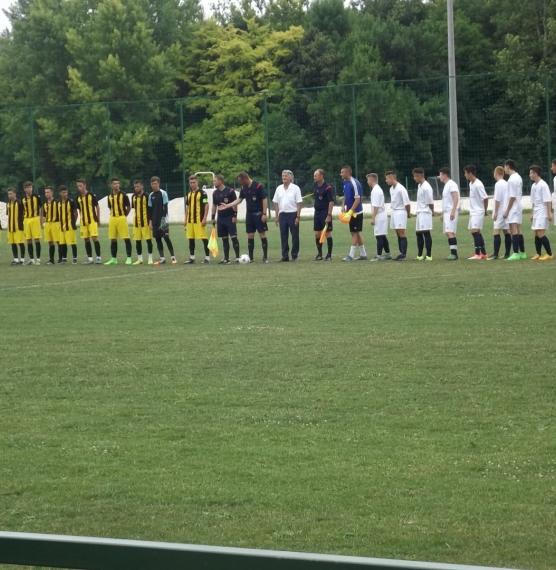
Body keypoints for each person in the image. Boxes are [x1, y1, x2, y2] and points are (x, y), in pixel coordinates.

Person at [219, 172, 269, 263]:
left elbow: (264, 199)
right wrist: (228, 205)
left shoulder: (258, 186)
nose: (240, 183)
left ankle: (265, 257)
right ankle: (251, 258)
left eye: (241, 181)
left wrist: (264, 213)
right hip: (249, 215)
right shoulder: (243, 188)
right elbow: (239, 199)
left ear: (245, 179)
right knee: (250, 235)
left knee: (262, 234)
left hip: (259, 214)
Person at [273, 169, 303, 262]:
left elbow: (299, 203)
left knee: (295, 235)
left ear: (290, 177)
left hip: (293, 214)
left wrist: (298, 216)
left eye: (285, 176)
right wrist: (276, 215)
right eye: (283, 176)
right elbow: (275, 202)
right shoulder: (279, 188)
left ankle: (294, 255)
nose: (284, 177)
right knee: (283, 236)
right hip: (282, 214)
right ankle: (285, 256)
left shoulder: (296, 188)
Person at [211, 174, 240, 264]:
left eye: (215, 181)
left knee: (234, 237)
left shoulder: (230, 191)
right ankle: (226, 258)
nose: (213, 182)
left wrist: (235, 215)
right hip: (221, 218)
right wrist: (213, 217)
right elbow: (214, 205)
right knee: (224, 239)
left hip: (230, 217)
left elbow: (235, 204)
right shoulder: (215, 193)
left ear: (220, 181)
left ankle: (237, 257)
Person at [340, 165, 366, 261]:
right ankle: (363, 254)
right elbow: (345, 196)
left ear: (348, 173)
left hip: (356, 213)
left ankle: (351, 255)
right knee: (356, 232)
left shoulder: (354, 183)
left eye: (342, 172)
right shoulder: (345, 182)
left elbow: (358, 199)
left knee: (354, 233)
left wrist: (351, 211)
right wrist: (343, 206)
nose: (341, 174)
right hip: (350, 213)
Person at [148, 176, 177, 265]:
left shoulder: (163, 193)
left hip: (163, 220)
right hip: (155, 221)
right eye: (152, 184)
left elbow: (165, 208)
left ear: (159, 184)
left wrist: (163, 220)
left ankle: (173, 257)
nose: (154, 185)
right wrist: (150, 221)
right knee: (157, 239)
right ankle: (162, 258)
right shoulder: (151, 195)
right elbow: (150, 210)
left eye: (155, 183)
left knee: (166, 238)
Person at [104, 177, 132, 265]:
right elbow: (110, 207)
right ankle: (114, 259)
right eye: (114, 184)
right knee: (113, 239)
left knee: (126, 238)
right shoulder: (109, 196)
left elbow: (129, 206)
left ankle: (129, 258)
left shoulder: (123, 195)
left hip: (121, 218)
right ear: (111, 185)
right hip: (112, 219)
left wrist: (124, 215)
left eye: (117, 183)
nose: (116, 185)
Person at [463, 165, 489, 260]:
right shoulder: (471, 183)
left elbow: (485, 198)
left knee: (474, 231)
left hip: (478, 211)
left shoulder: (478, 184)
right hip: (473, 211)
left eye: (465, 173)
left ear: (470, 173)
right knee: (476, 231)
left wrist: (485, 210)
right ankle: (484, 253)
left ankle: (477, 254)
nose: (465, 175)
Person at [184, 174, 210, 264]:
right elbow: (187, 207)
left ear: (197, 182)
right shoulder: (189, 194)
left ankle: (207, 257)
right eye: (191, 182)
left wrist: (204, 218)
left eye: (194, 182)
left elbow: (206, 205)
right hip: (190, 221)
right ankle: (192, 257)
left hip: (199, 220)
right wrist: (185, 219)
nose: (192, 184)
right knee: (190, 238)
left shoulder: (203, 193)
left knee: (203, 238)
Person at [529, 165, 553, 261]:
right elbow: (533, 201)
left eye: (531, 173)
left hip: (543, 211)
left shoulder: (543, 185)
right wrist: (532, 213)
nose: (530, 175)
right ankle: (538, 253)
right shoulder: (533, 185)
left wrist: (549, 213)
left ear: (536, 173)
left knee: (540, 233)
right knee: (536, 232)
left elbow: (548, 200)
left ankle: (549, 254)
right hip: (536, 212)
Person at [503, 159, 526, 261]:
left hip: (513, 207)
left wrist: (507, 210)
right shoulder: (518, 177)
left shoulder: (511, 179)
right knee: (519, 229)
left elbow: (512, 197)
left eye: (505, 167)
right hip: (519, 205)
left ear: (508, 166)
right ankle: (522, 252)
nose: (504, 169)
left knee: (513, 229)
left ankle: (516, 253)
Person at [75, 178, 102, 264]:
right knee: (86, 239)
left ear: (85, 185)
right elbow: (79, 210)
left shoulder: (91, 195)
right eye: (78, 186)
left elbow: (97, 207)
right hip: (83, 222)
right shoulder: (78, 197)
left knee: (94, 238)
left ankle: (98, 258)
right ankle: (90, 259)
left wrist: (98, 219)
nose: (79, 188)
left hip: (92, 220)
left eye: (80, 186)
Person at [386, 170, 410, 261]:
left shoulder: (401, 188)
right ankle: (401, 252)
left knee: (401, 232)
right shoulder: (391, 189)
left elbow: (407, 203)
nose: (386, 181)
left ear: (392, 178)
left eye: (387, 179)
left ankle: (404, 254)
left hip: (400, 212)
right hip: (394, 212)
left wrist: (408, 213)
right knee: (397, 232)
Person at [488, 167, 512, 260]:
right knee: (506, 231)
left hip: (500, 211)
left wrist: (495, 212)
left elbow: (497, 200)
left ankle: (495, 254)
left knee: (496, 231)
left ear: (496, 173)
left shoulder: (498, 184)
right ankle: (507, 254)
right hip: (506, 211)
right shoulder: (506, 183)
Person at [367, 173, 391, 261]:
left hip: (379, 215)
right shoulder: (376, 189)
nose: (367, 182)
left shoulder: (376, 190)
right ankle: (387, 254)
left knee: (379, 235)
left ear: (372, 180)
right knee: (382, 235)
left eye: (368, 180)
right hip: (380, 215)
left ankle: (379, 255)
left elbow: (376, 206)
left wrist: (373, 218)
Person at [312, 168, 334, 261]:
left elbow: (331, 202)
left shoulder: (328, 187)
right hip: (317, 213)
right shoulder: (316, 186)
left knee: (327, 233)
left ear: (321, 176)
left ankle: (329, 255)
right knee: (317, 234)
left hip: (325, 212)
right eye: (314, 176)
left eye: (316, 175)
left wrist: (329, 215)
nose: (314, 177)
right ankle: (320, 254)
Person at [412, 168, 434, 261]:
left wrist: (432, 211)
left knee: (426, 233)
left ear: (420, 176)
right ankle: (420, 255)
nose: (414, 178)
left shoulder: (426, 187)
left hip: (425, 212)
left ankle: (429, 255)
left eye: (415, 176)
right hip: (419, 212)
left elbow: (430, 202)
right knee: (418, 233)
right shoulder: (419, 186)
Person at [439, 167, 460, 260]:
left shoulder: (451, 184)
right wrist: (442, 213)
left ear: (445, 175)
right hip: (447, 212)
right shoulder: (446, 185)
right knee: (448, 232)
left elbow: (455, 197)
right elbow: (446, 201)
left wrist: (453, 211)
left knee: (450, 232)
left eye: (440, 175)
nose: (439, 177)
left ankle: (454, 254)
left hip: (451, 211)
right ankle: (453, 252)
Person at [131, 179, 153, 265]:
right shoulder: (133, 197)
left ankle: (150, 258)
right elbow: (134, 209)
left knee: (148, 240)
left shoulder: (147, 196)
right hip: (136, 223)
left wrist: (150, 221)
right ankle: (140, 259)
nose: (136, 188)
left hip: (146, 222)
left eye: (138, 186)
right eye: (135, 187)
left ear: (142, 186)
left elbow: (150, 210)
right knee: (138, 241)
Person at [22, 181, 42, 265]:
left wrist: (41, 219)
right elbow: (23, 210)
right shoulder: (23, 199)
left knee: (36, 239)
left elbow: (41, 208)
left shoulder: (36, 197)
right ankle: (31, 259)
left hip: (35, 219)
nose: (29, 189)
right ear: (24, 189)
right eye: (27, 188)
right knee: (28, 240)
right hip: (26, 220)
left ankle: (38, 259)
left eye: (30, 187)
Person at [57, 185, 78, 264]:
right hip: (61, 226)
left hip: (70, 226)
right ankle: (64, 258)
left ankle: (75, 258)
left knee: (72, 242)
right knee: (63, 243)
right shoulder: (58, 202)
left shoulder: (71, 201)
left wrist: (73, 222)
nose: (65, 194)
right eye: (63, 192)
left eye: (66, 192)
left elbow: (76, 213)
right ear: (60, 193)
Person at [41, 185, 61, 265]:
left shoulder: (57, 202)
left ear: (52, 193)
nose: (46, 194)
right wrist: (42, 223)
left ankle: (60, 259)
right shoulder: (45, 203)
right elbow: (44, 215)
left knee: (58, 241)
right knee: (50, 242)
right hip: (48, 224)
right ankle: (51, 260)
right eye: (45, 192)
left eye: (48, 192)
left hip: (56, 223)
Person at [6, 187, 25, 265]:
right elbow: (8, 214)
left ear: (15, 194)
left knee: (20, 242)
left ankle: (22, 259)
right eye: (8, 194)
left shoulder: (19, 203)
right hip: (10, 227)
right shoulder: (8, 203)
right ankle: (16, 259)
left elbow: (24, 213)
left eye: (11, 194)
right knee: (13, 243)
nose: (9, 195)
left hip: (18, 227)